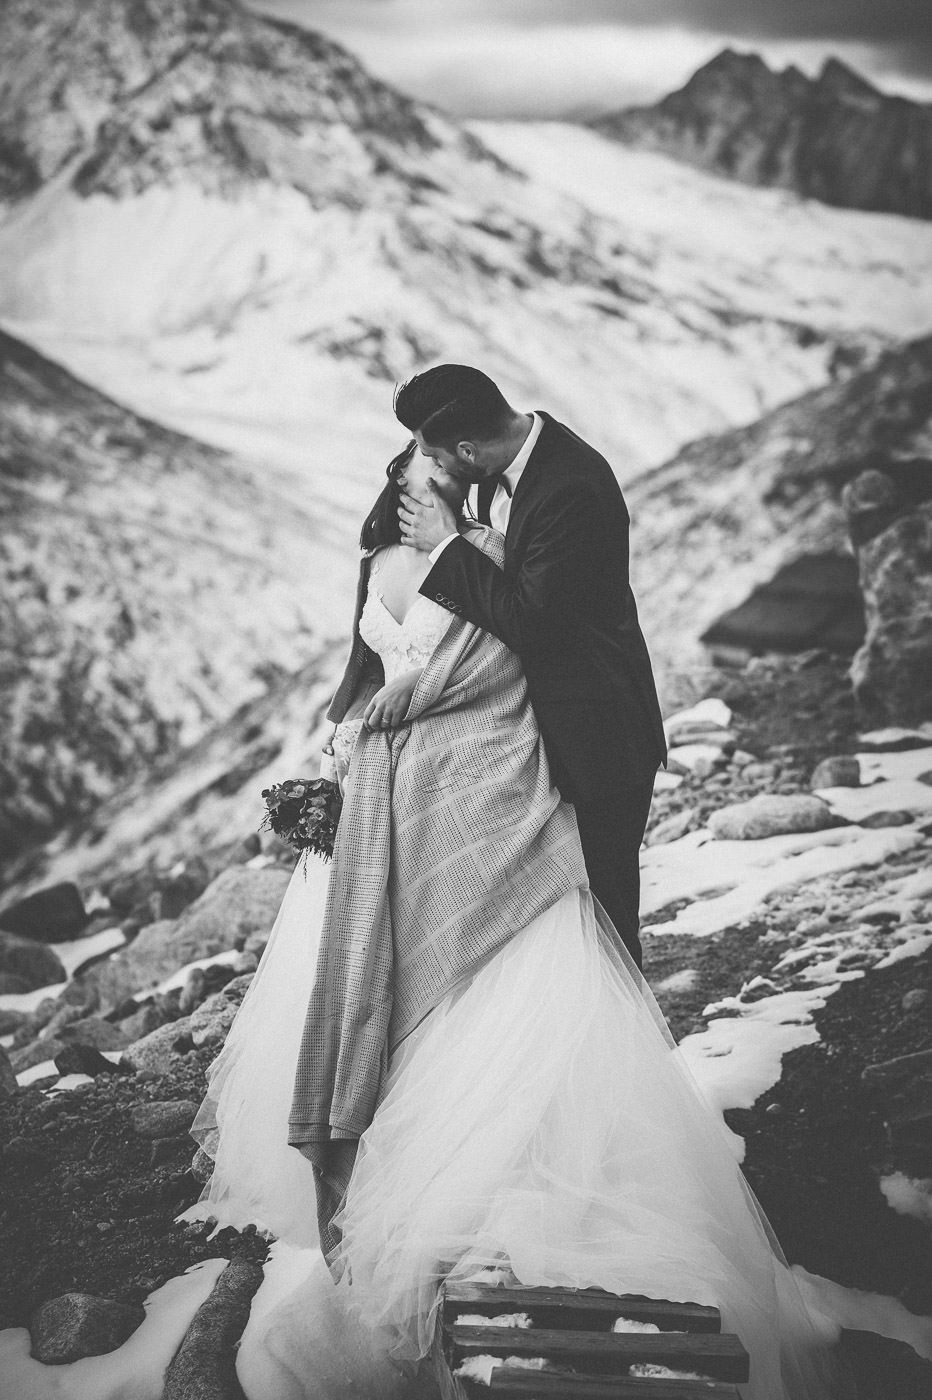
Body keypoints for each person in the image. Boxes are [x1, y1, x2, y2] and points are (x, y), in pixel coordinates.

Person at [186, 442, 845, 1400]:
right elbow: (364, 669)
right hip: (382, 788)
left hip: (469, 780)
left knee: (501, 973)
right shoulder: (375, 567)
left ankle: (516, 1182)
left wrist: (416, 708)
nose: (424, 497)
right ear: (393, 493)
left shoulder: (484, 552)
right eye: (414, 485)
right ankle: (391, 1158)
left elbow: (512, 663)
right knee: (377, 974)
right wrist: (343, 743)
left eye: (439, 485)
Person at [394, 365, 665, 970]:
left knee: (603, 918)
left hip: (597, 735)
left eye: (428, 451)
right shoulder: (494, 466)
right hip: (532, 737)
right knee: (546, 931)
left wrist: (447, 548)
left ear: (468, 449)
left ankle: (623, 1056)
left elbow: (535, 627)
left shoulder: (571, 484)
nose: (421, 460)